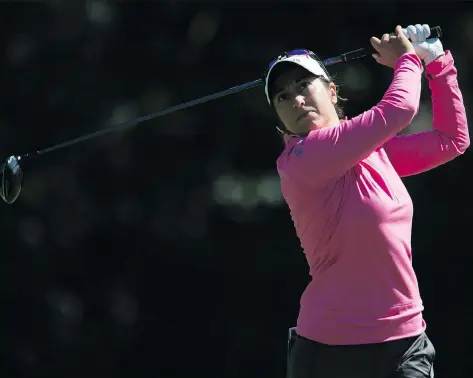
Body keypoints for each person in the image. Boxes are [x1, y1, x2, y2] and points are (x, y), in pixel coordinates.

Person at [264, 24, 470, 378]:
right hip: (328, 353)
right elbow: (399, 109)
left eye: (303, 85)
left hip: (405, 344)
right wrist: (407, 58)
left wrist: (437, 61)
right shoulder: (302, 160)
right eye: (282, 96)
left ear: (331, 90)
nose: (295, 98)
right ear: (280, 119)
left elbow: (452, 139)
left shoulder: (373, 151)